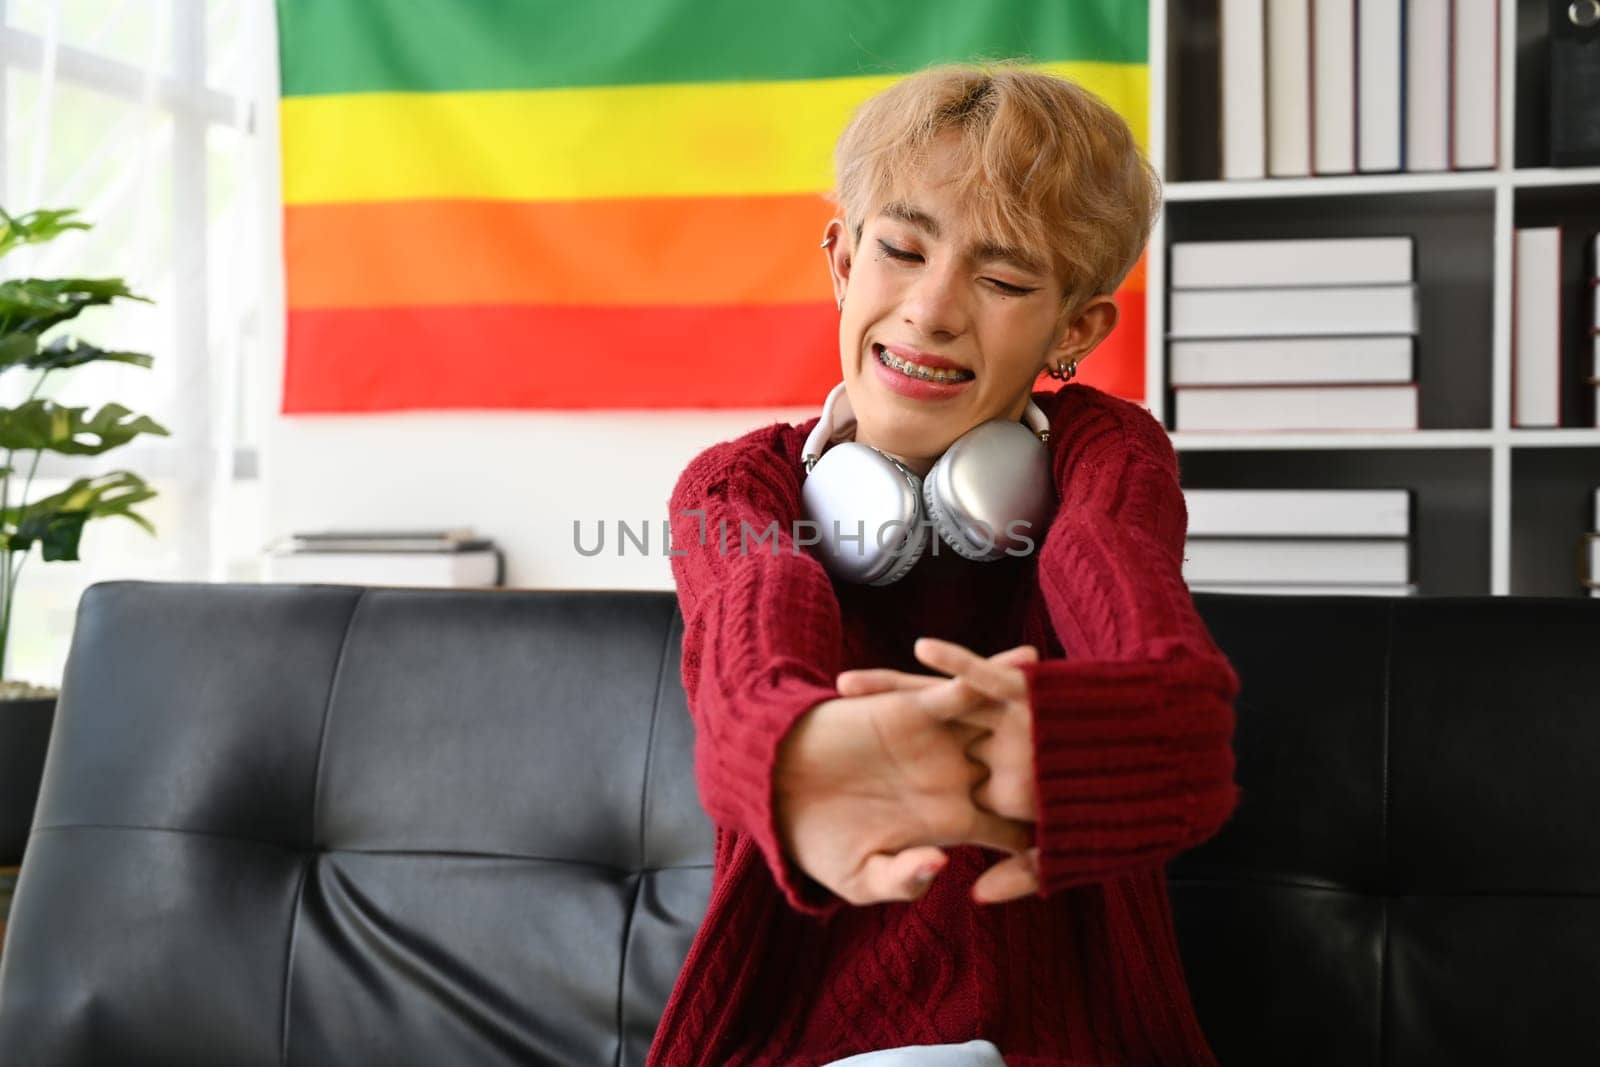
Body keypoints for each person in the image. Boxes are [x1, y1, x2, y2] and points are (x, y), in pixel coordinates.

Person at [648, 62, 1242, 1067]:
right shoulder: (732, 488)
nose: (930, 309)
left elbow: (1181, 718)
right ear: (841, 260)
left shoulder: (1109, 456)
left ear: (1075, 328)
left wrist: (1071, 745)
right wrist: (803, 755)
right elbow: (745, 664)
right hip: (790, 1034)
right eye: (900, 249)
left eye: (1004, 279)